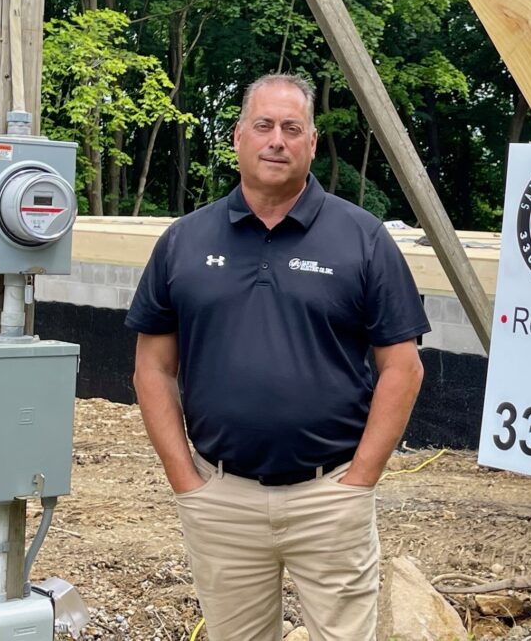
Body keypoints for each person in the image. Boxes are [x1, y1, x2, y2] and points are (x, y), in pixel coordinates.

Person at [126, 73, 429, 641]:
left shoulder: (362, 239)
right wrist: (186, 482)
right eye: (263, 126)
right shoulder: (185, 241)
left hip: (330, 496)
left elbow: (403, 368)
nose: (276, 140)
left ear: (312, 143)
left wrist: (360, 480)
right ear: (238, 137)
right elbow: (152, 368)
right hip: (222, 498)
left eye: (292, 128)